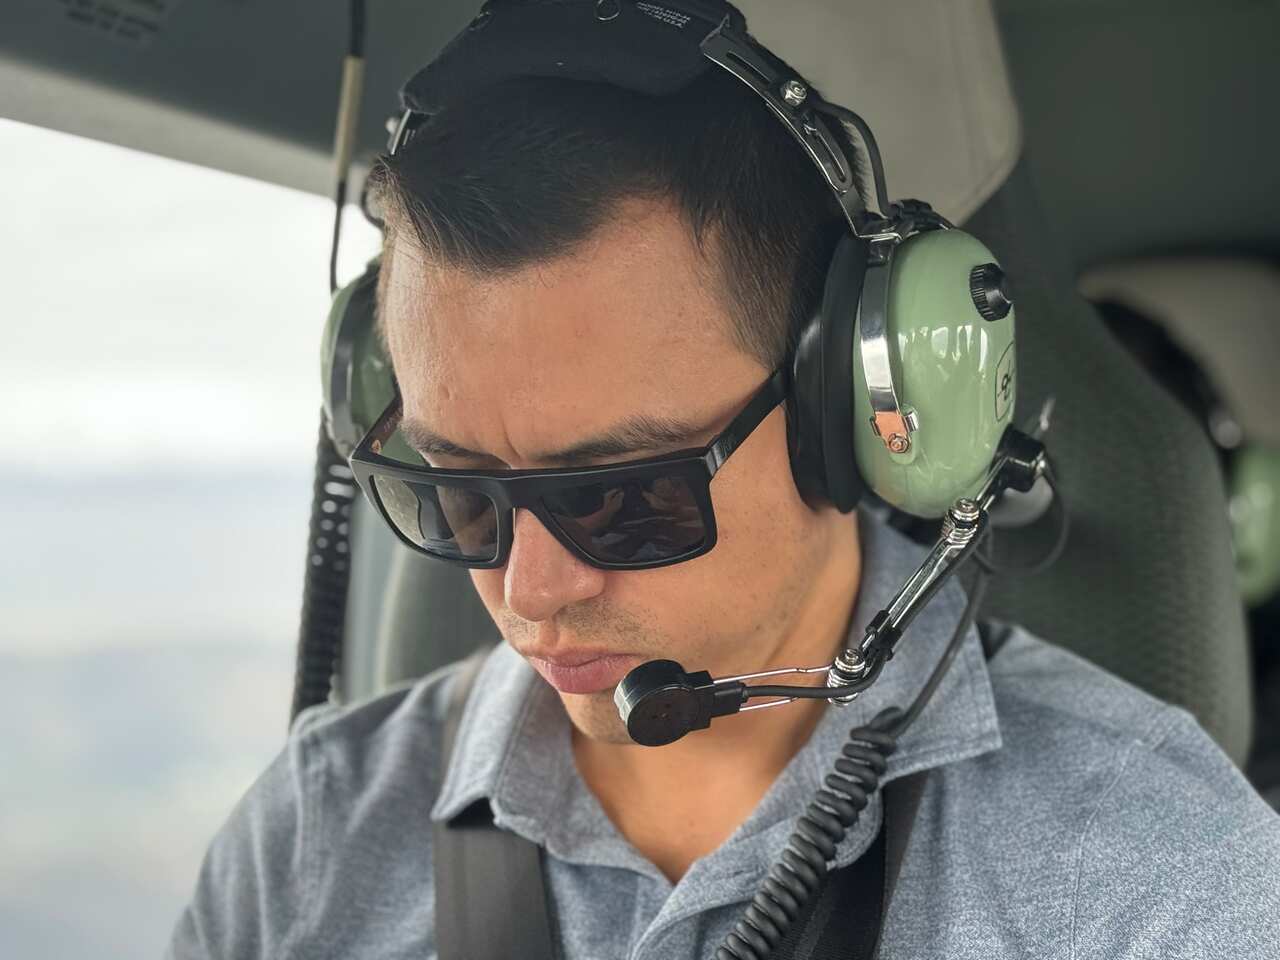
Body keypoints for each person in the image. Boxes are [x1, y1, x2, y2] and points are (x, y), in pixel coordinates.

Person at [167, 10, 1280, 960]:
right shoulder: (308, 839)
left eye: (619, 494)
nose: (531, 591)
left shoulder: (1154, 869)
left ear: (847, 417)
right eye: (455, 494)